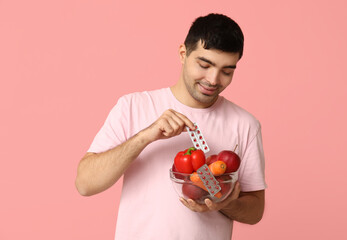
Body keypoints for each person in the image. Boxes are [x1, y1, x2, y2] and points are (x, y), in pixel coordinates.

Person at [75, 13, 267, 240]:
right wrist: (144, 137)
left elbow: (255, 211)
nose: (214, 79)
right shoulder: (133, 106)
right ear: (183, 54)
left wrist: (222, 202)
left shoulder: (245, 125)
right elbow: (85, 184)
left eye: (227, 71)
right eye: (204, 65)